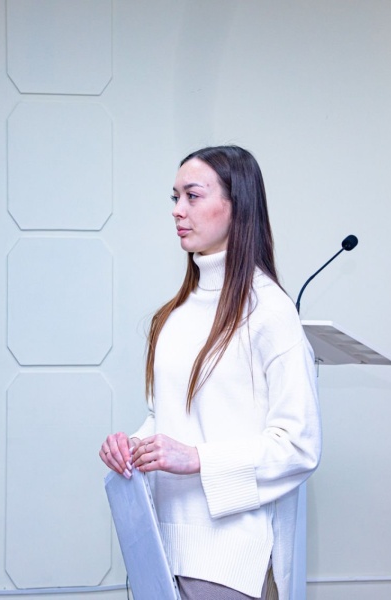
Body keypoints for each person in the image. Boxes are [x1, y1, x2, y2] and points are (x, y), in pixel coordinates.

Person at [99, 145, 321, 600]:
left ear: (237, 205)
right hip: (159, 550)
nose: (177, 210)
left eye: (193, 196)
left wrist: (197, 458)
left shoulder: (270, 312)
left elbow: (299, 446)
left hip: (229, 562)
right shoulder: (174, 314)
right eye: (175, 197)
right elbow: (167, 417)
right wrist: (132, 446)